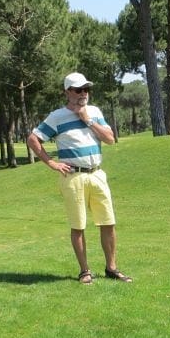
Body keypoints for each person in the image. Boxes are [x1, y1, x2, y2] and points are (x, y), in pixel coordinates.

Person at [26, 72, 132, 285]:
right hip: (73, 176)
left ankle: (111, 268)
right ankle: (85, 271)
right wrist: (52, 163)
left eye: (86, 89)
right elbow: (33, 139)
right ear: (67, 92)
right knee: (78, 226)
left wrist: (88, 120)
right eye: (78, 90)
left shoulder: (94, 112)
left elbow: (110, 139)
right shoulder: (57, 116)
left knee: (108, 223)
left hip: (97, 174)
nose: (84, 93)